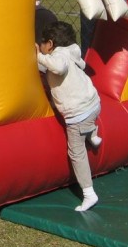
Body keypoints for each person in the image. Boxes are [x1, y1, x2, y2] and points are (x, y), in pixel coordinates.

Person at [36, 21, 102, 212]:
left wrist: (38, 56)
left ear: (50, 43)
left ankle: (89, 193)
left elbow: (58, 68)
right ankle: (93, 135)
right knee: (87, 124)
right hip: (93, 103)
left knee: (76, 153)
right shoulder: (71, 50)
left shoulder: (58, 57)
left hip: (78, 113)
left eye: (42, 43)